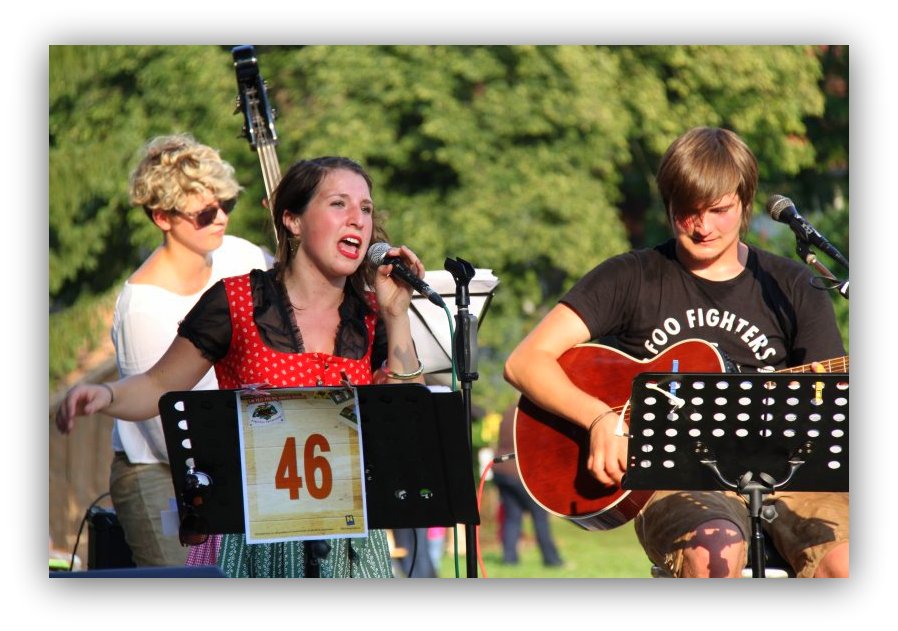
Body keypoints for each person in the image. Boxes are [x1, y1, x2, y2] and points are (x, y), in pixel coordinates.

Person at [56, 156, 427, 578]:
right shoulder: (236, 302)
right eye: (339, 204)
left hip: (348, 539)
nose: (358, 220)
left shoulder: (372, 314)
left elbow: (406, 415)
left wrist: (398, 315)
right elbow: (158, 384)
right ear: (293, 220)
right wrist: (105, 395)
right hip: (255, 536)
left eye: (365, 208)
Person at [504, 127, 849, 578]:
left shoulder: (792, 285)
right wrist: (598, 417)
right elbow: (525, 360)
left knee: (848, 565)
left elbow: (826, 405)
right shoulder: (630, 277)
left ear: (745, 203)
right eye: (687, 212)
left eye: (720, 210)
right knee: (711, 552)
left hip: (787, 475)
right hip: (676, 479)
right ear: (668, 206)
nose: (703, 226)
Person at [107, 134, 269, 567]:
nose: (221, 220)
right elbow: (164, 433)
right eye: (205, 212)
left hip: (234, 462)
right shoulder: (142, 306)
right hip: (159, 469)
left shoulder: (243, 255)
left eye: (227, 205)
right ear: (162, 217)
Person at [492, 404, 563, 567]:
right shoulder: (533, 412)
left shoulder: (509, 410)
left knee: (512, 516)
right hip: (520, 472)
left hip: (501, 470)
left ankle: (509, 559)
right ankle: (552, 560)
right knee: (540, 516)